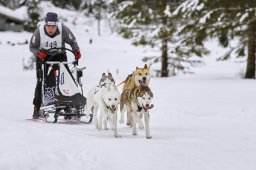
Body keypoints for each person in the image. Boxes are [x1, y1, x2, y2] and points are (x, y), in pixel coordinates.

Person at [29, 12, 81, 119]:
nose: (51, 29)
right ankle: (37, 107)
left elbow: (73, 41)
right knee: (41, 81)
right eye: (49, 26)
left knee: (67, 79)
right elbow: (32, 46)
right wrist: (38, 54)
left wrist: (76, 51)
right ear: (45, 25)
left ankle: (70, 106)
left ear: (56, 25)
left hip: (60, 55)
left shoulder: (64, 29)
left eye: (53, 26)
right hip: (43, 57)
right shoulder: (39, 31)